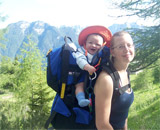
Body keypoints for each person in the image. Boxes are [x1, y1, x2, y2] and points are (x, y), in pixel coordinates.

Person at [94, 31, 135, 130]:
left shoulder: (125, 72)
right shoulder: (106, 80)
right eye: (121, 46)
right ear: (112, 52)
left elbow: (123, 113)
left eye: (129, 45)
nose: (126, 49)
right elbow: (102, 125)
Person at [72, 25, 112, 107]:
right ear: (85, 43)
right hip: (81, 73)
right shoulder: (81, 52)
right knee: (79, 85)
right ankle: (81, 99)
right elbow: (80, 60)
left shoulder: (102, 53)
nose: (93, 45)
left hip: (95, 74)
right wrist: (87, 67)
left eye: (97, 44)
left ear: (102, 45)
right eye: (90, 43)